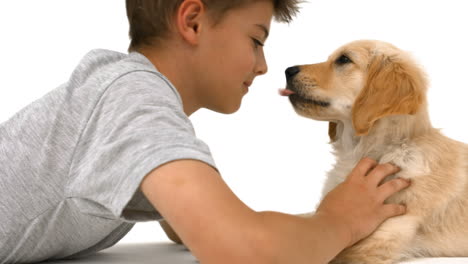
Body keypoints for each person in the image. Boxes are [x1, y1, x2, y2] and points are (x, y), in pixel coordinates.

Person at [0, 0, 411, 263]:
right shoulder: (132, 99)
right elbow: (241, 249)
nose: (263, 65)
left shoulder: (130, 102)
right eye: (256, 39)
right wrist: (338, 221)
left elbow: (188, 226)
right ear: (193, 22)